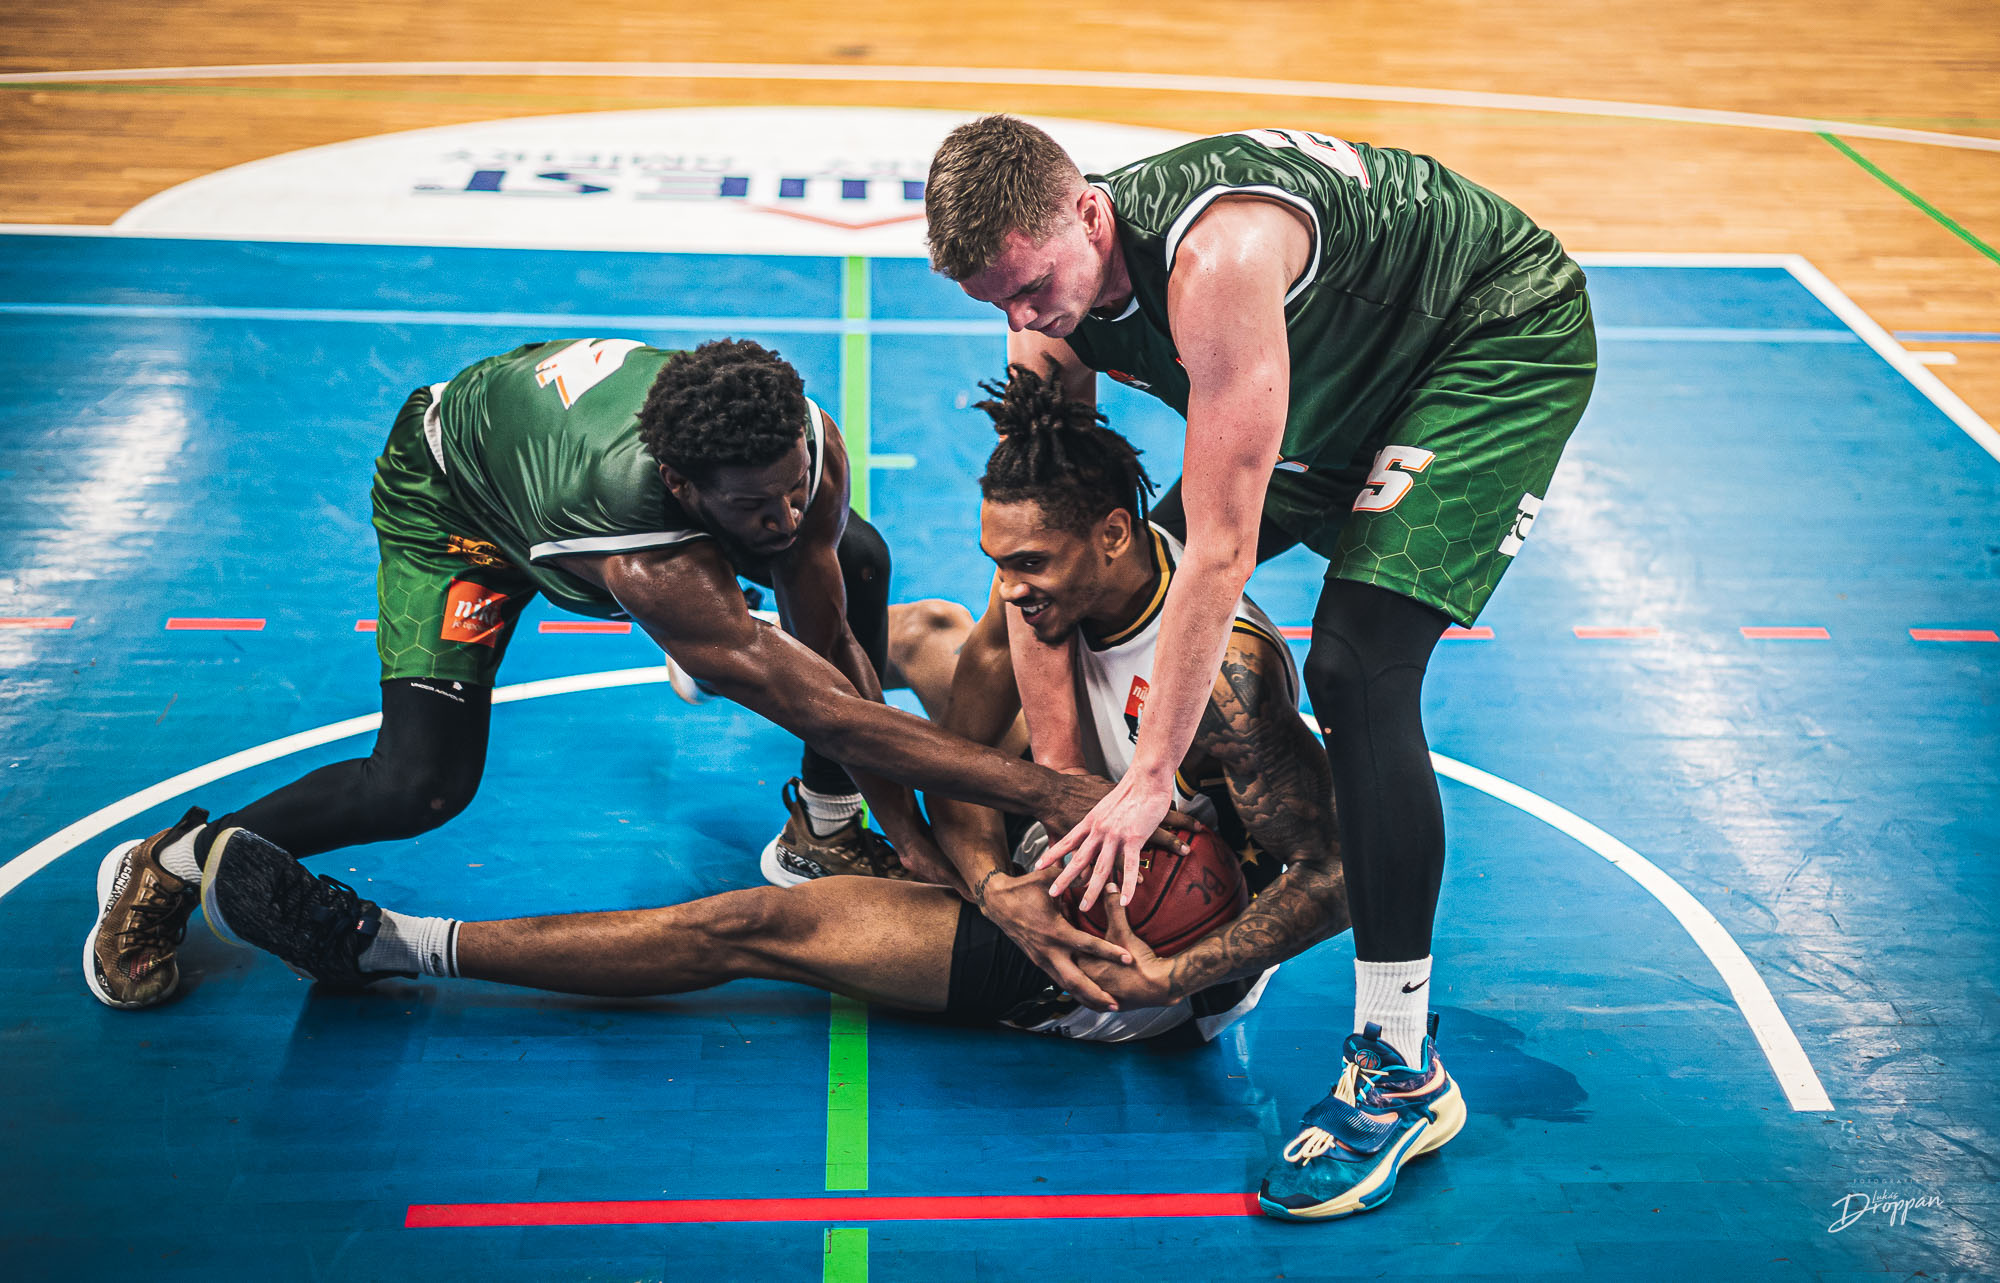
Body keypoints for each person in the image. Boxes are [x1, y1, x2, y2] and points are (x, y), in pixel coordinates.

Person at [188, 371, 1354, 1052]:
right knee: (937, 632)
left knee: (756, 924)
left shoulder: (1230, 681)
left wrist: (1165, 975)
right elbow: (958, 766)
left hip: (1132, 946)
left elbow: (1332, 876)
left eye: (1030, 563)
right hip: (1059, 844)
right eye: (1001, 557)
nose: (1012, 584)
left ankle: (381, 941)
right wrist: (982, 870)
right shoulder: (1043, 595)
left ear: (1111, 534)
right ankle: (738, 657)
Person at [924, 117, 1596, 1218]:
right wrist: (1065, 785)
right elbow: (1056, 541)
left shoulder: (1218, 261)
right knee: (1102, 566)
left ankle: (1400, 1067)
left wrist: (1149, 779)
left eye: (1033, 288)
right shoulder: (1047, 314)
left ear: (1089, 213)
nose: (1025, 321)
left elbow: (1220, 552)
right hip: (1335, 365)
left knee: (1356, 666)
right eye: (995, 303)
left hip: (1484, 334)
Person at [84, 339, 1139, 1013]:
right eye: (753, 507)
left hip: (558, 456)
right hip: (457, 504)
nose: (782, 517)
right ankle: (170, 861)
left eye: (790, 491)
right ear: (683, 485)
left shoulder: (804, 448)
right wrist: (1048, 792)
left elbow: (832, 660)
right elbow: (830, 710)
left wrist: (902, 833)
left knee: (848, 560)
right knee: (421, 783)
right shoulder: (645, 554)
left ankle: (819, 830)